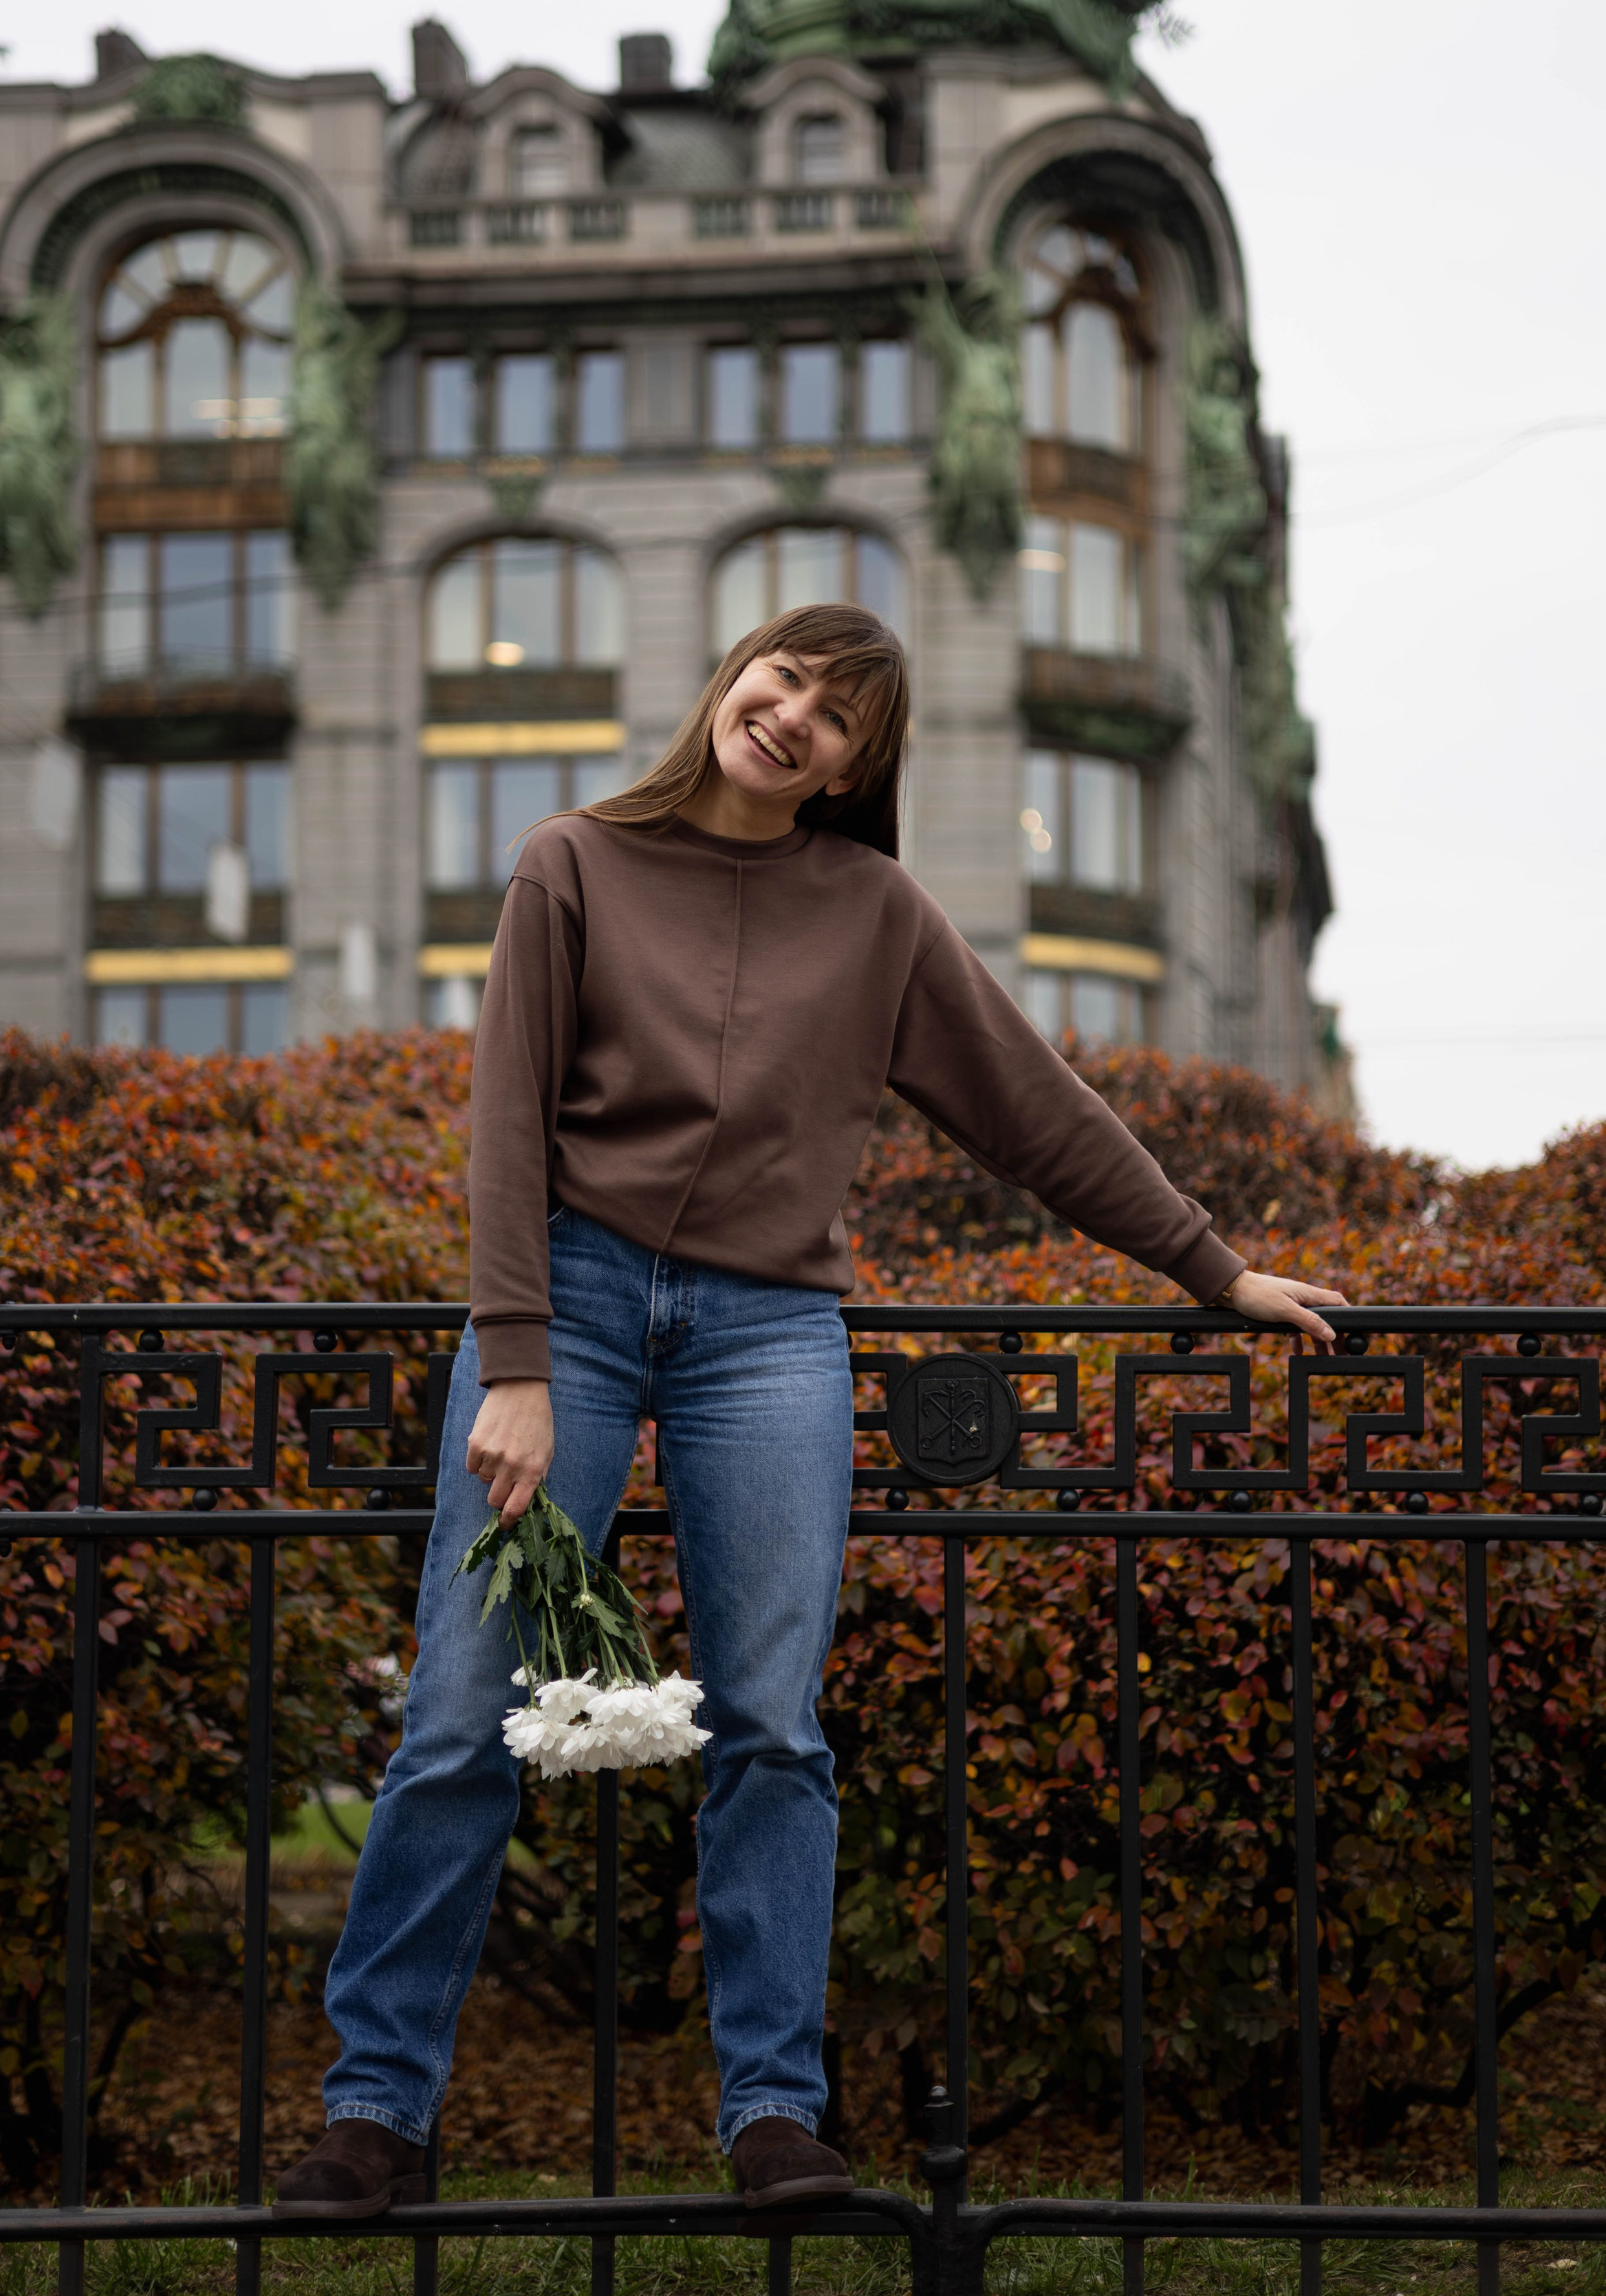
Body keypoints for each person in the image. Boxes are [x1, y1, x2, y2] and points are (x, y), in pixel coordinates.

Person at [275, 602, 1345, 2219]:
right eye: (780, 681)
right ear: (729, 683)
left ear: (855, 767)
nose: (790, 718)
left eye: (834, 716)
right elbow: (505, 1124)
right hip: (561, 1307)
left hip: (767, 1329)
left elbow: (1033, 1110)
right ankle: (375, 2112)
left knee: (769, 1728)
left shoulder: (875, 915)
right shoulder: (569, 864)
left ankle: (772, 2114)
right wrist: (508, 1364)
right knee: (458, 1715)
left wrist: (1212, 1273)